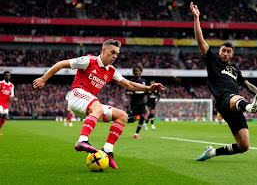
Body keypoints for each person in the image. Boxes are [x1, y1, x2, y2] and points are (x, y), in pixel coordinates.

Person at [33, 39, 164, 169]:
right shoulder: (89, 61)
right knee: (98, 106)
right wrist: (43, 79)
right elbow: (61, 63)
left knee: (122, 115)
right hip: (77, 95)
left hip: (89, 104)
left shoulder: (111, 71)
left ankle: (108, 150)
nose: (115, 56)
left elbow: (129, 84)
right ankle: (82, 140)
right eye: (112, 52)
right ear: (103, 50)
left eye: (117, 54)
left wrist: (148, 88)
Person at [190, 2, 257, 161]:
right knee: (236, 97)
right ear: (219, 51)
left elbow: (249, 86)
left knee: (244, 146)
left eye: (228, 52)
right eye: (223, 51)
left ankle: (212, 152)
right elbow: (200, 41)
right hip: (225, 100)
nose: (225, 54)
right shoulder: (212, 60)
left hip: (235, 106)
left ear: (232, 54)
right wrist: (196, 19)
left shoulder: (236, 70)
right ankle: (251, 106)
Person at [126, 66, 147, 138]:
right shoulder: (131, 81)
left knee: (142, 116)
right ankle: (121, 121)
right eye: (135, 71)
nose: (137, 72)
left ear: (140, 72)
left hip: (142, 102)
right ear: (133, 73)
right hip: (134, 102)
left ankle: (136, 134)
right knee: (133, 119)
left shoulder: (144, 81)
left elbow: (146, 90)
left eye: (138, 71)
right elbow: (126, 91)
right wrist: (129, 93)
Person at [0, 71, 15, 136]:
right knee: (0, 114)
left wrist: (12, 98)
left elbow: (12, 95)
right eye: (6, 75)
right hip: (0, 102)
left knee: (4, 116)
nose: (7, 76)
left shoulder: (11, 85)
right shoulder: (0, 83)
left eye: (8, 75)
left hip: (6, 103)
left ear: (10, 76)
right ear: (4, 76)